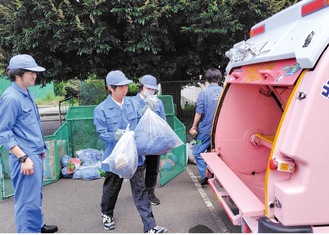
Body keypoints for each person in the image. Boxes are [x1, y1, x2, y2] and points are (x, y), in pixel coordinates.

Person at [93, 70, 168, 233]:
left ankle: (150, 227)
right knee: (112, 189)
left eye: (126, 85)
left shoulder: (133, 104)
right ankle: (107, 214)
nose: (125, 89)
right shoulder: (101, 110)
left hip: (135, 156)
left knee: (141, 191)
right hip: (116, 158)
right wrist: (115, 135)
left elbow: (141, 123)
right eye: (120, 86)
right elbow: (101, 133)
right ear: (110, 88)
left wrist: (146, 112)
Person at [0, 54, 58, 233]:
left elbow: (30, 125)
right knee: (26, 200)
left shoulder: (26, 93)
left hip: (34, 153)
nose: (34, 75)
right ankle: (28, 231)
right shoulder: (11, 98)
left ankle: (37, 225)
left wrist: (39, 149)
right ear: (17, 74)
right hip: (24, 157)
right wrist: (23, 157)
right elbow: (3, 131)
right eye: (29, 72)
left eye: (35, 72)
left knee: (35, 195)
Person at [133, 75, 166, 206]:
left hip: (154, 141)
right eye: (148, 88)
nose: (150, 91)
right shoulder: (133, 102)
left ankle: (150, 192)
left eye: (153, 89)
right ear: (141, 87)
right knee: (139, 168)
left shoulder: (158, 102)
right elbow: (131, 120)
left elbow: (163, 120)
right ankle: (140, 194)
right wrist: (144, 110)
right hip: (139, 141)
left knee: (153, 168)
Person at [189, 68, 223, 185]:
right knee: (217, 153)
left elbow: (199, 113)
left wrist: (194, 126)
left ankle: (205, 175)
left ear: (207, 80)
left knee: (197, 152)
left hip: (205, 131)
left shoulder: (204, 93)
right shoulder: (224, 91)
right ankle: (219, 175)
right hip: (221, 131)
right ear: (219, 79)